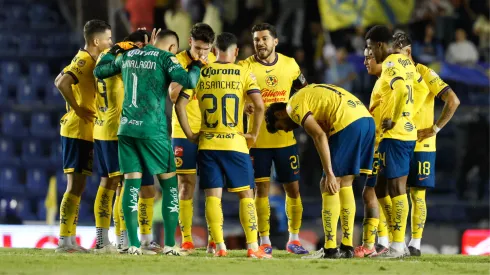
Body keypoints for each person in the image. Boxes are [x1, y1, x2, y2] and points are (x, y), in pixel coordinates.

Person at [94, 29, 201, 255]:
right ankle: (171, 245)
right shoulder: (166, 58)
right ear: (172, 48)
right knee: (170, 186)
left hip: (126, 130)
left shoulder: (129, 55)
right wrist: (198, 64)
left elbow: (99, 70)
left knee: (131, 186)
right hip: (154, 131)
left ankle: (132, 244)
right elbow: (189, 81)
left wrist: (115, 49)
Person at [175, 32, 270, 259]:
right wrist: (253, 134)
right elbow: (259, 105)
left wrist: (190, 134)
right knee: (246, 194)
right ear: (236, 51)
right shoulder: (244, 72)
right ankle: (252, 246)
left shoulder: (200, 72)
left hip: (208, 143)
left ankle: (219, 247)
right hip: (235, 143)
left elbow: (180, 104)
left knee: (212, 196)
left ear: (214, 51)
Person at [264, 83, 375, 259]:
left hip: (347, 122)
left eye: (280, 127)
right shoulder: (307, 94)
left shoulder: (293, 107)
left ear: (279, 114)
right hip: (366, 119)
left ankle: (330, 248)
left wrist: (329, 173)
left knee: (327, 183)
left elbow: (319, 136)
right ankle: (347, 247)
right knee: (345, 183)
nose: (285, 130)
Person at [237, 23, 308, 255]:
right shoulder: (244, 67)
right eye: (256, 39)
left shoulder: (290, 64)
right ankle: (265, 241)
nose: (260, 43)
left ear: (275, 41)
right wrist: (243, 104)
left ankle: (294, 239)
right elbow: (231, 96)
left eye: (265, 38)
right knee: (261, 190)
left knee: (293, 190)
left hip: (285, 139)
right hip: (257, 142)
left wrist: (294, 111)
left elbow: (305, 91)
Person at [92, 29, 162, 254]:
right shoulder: (127, 59)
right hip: (118, 129)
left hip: (101, 128)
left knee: (108, 185)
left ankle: (103, 241)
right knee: (126, 185)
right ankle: (123, 240)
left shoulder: (106, 56)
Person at [392, 32, 460, 257]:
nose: (393, 59)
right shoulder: (394, 75)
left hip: (422, 144)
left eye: (397, 54)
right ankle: (396, 242)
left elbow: (453, 100)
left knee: (417, 195)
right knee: (395, 192)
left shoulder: (424, 73)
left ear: (408, 52)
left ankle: (416, 244)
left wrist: (435, 128)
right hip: (399, 141)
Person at [365, 25, 425, 258]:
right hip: (402, 134)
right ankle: (392, 239)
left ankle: (398, 244)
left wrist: (397, 117)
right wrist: (411, 114)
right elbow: (419, 87)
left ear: (380, 45)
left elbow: (400, 89)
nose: (372, 54)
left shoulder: (390, 62)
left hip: (395, 134)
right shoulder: (407, 63)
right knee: (382, 186)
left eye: (371, 48)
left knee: (397, 188)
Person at [54, 19, 113, 253]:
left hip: (85, 131)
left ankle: (68, 240)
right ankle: (64, 241)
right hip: (77, 129)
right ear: (96, 41)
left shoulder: (92, 60)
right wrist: (77, 109)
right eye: (108, 39)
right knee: (74, 185)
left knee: (78, 186)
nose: (110, 42)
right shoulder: (84, 59)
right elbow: (61, 82)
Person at [168, 23, 216, 254]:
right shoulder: (177, 60)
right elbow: (174, 95)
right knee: (186, 185)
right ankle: (186, 238)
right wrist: (194, 67)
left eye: (205, 49)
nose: (201, 53)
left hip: (211, 132)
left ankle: (214, 238)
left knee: (212, 186)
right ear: (190, 42)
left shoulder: (217, 62)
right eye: (197, 48)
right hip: (182, 131)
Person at [353, 48, 391, 258]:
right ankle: (383, 242)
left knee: (373, 193)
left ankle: (376, 244)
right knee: (377, 193)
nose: (365, 61)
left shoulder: (386, 81)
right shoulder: (380, 81)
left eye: (369, 57)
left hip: (383, 143)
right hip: (378, 143)